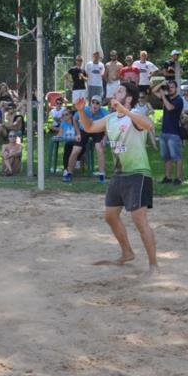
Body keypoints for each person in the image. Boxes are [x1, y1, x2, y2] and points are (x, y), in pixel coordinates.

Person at [75, 81, 159, 276]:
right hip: (120, 174)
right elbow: (89, 127)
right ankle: (127, 252)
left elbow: (149, 125)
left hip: (138, 173)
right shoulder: (111, 118)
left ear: (128, 98)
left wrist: (126, 111)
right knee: (110, 216)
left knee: (139, 220)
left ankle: (154, 265)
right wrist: (81, 111)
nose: (115, 92)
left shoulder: (135, 116)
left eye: (119, 91)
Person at [65, 95, 108, 183]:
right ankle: (69, 173)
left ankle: (102, 174)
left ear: (100, 105)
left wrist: (105, 137)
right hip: (84, 130)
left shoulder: (104, 112)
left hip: (97, 130)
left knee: (99, 149)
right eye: (93, 102)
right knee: (75, 150)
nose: (95, 105)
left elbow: (109, 124)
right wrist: (78, 133)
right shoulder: (84, 110)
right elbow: (75, 119)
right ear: (90, 103)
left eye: (97, 103)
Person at [153, 79, 183, 185]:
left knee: (177, 157)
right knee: (166, 157)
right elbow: (153, 91)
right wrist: (161, 84)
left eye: (172, 87)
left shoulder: (179, 100)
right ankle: (167, 177)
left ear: (176, 88)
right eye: (168, 87)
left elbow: (170, 108)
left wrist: (163, 95)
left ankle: (178, 178)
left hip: (174, 133)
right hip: (164, 132)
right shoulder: (167, 98)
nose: (170, 89)